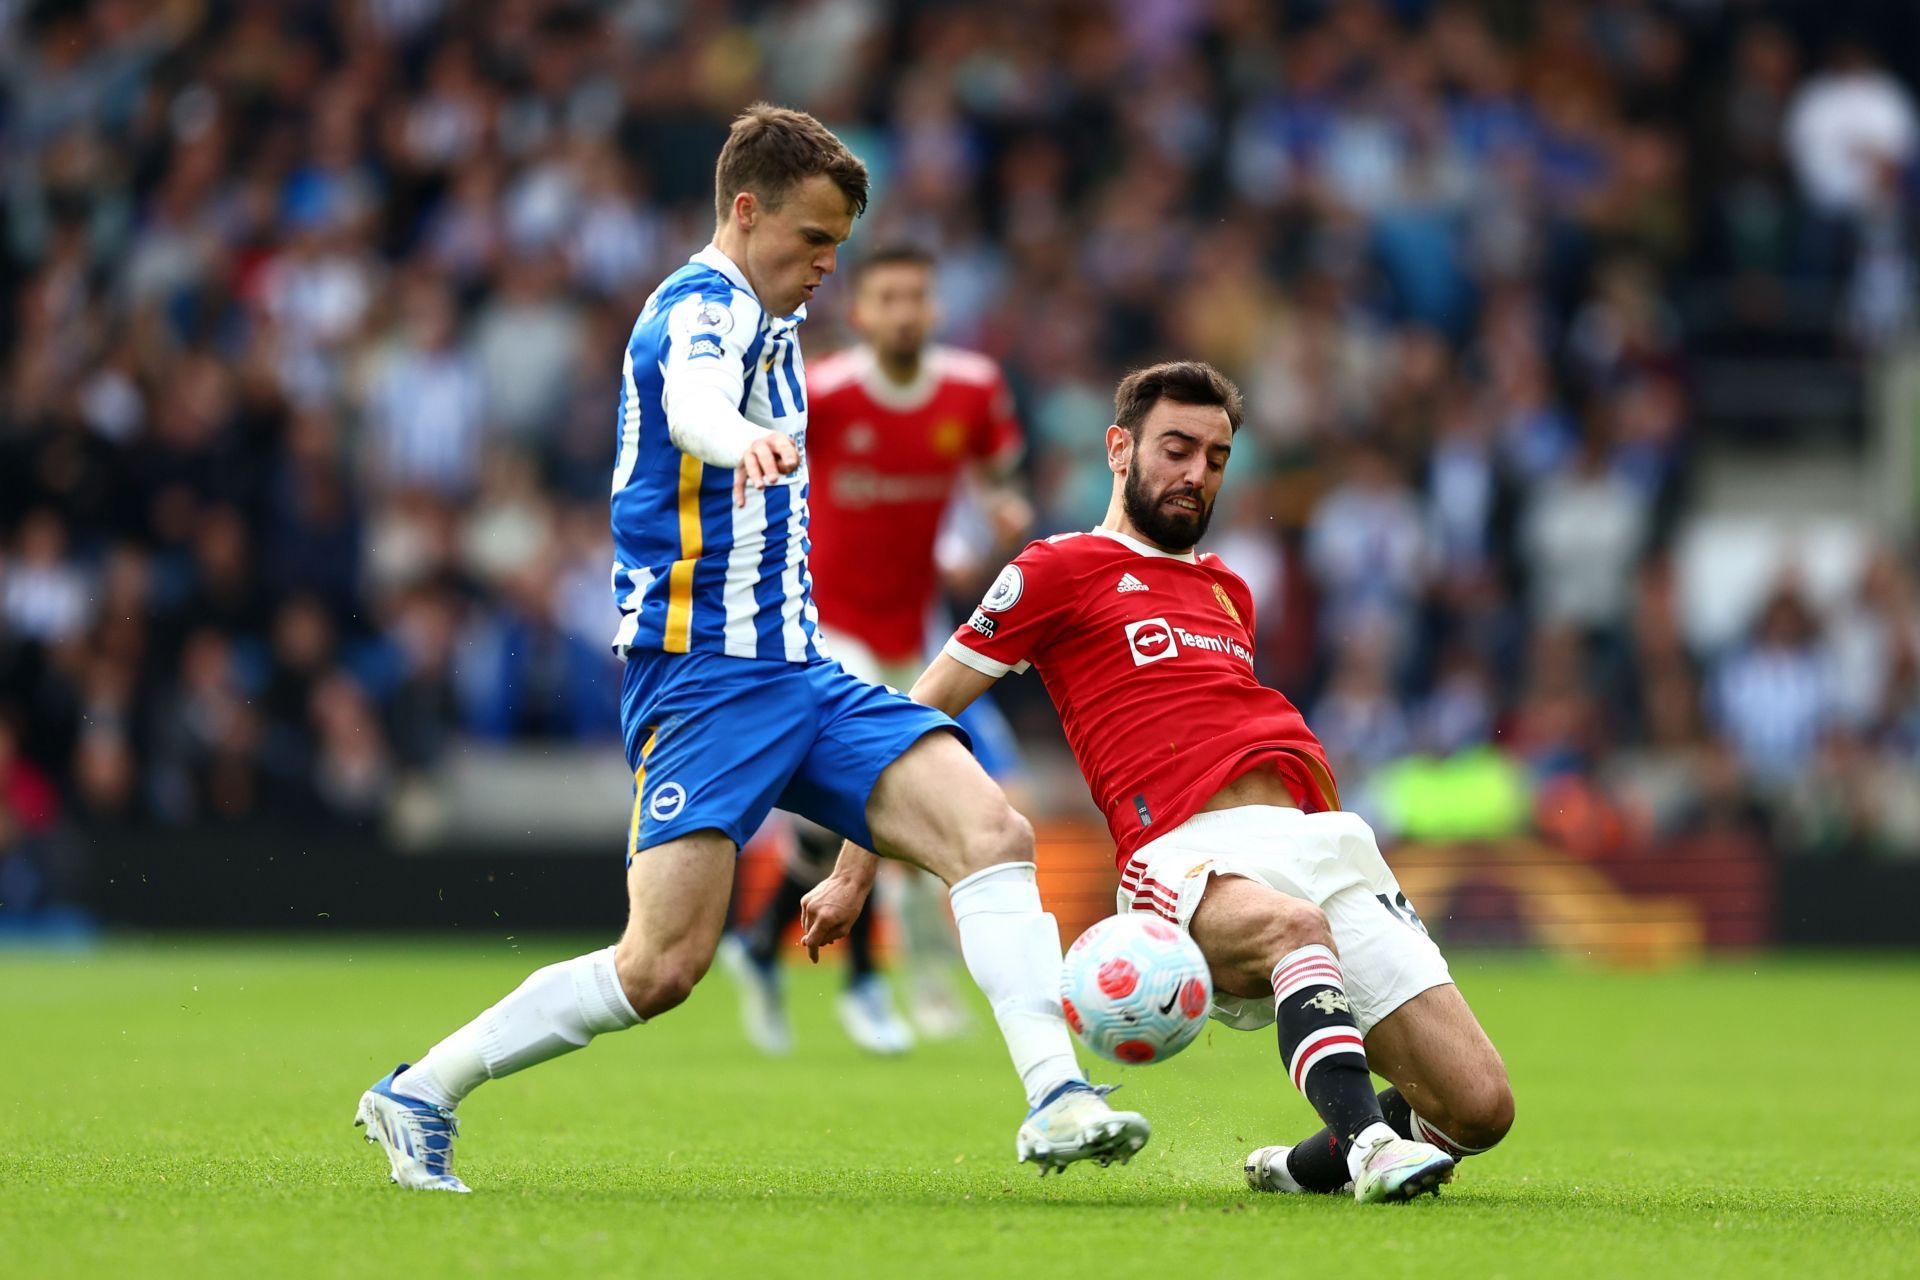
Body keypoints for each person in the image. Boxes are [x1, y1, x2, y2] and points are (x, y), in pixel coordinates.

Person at [352, 105, 1148, 1193]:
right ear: (744, 207)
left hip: (804, 670)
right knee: (660, 966)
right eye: (814, 239)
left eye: (839, 246)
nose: (828, 266)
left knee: (993, 829)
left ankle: (1058, 1098)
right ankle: (420, 1090)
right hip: (704, 684)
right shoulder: (700, 304)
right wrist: (744, 438)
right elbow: (690, 402)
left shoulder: (772, 317)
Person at [800, 361, 1516, 1204]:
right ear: (1119, 447)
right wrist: (851, 872)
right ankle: (1369, 1148)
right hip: (1181, 853)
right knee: (1290, 928)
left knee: (1479, 1108)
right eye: (1176, 449)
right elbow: (912, 715)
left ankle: (1302, 1166)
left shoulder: (1228, 589)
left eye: (1215, 457)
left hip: (1320, 838)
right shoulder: (1056, 569)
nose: (1196, 474)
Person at [722, 244, 1031, 1055]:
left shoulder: (972, 390)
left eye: (916, 298)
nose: (903, 312)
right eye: (887, 298)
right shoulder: (824, 395)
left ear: (934, 309)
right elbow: (753, 469)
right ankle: (868, 984)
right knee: (882, 781)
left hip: (911, 626)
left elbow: (996, 473)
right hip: (828, 623)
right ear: (859, 314)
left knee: (837, 831)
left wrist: (996, 514)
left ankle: (758, 944)